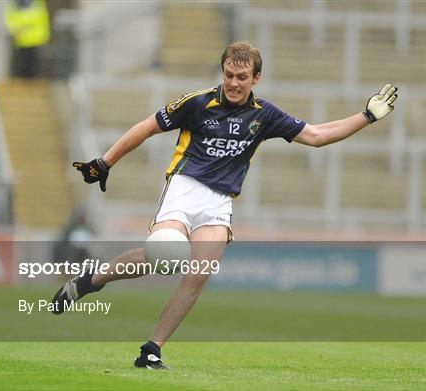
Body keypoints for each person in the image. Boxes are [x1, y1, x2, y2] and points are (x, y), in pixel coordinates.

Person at [51, 42, 398, 369]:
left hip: (219, 202)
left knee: (198, 275)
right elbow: (146, 127)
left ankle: (151, 351)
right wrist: (105, 161)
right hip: (184, 187)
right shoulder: (197, 103)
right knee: (164, 255)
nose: (233, 83)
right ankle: (91, 280)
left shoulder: (265, 115)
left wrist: (366, 116)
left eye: (242, 77)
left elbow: (318, 136)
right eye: (229, 75)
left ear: (256, 78)